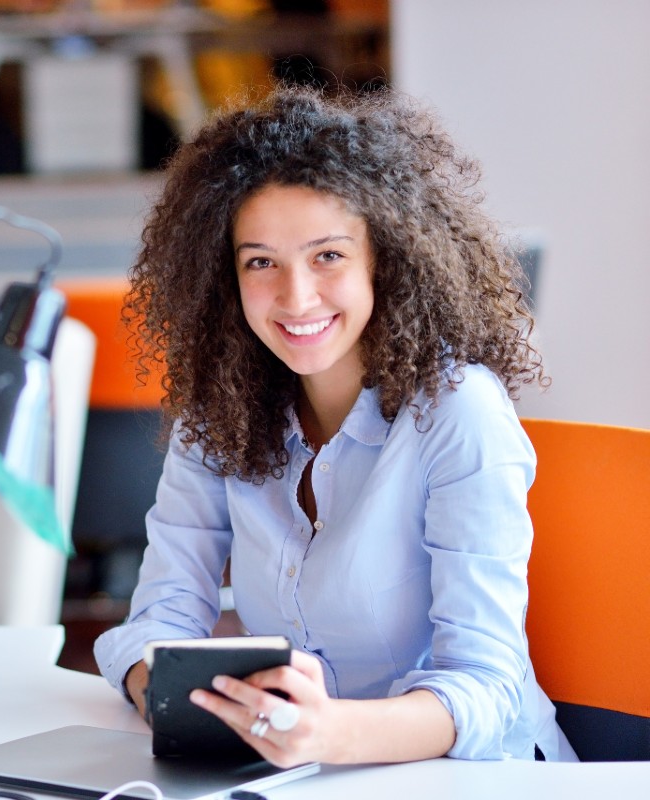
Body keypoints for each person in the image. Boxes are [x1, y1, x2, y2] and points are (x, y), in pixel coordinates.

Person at [94, 84, 578, 766]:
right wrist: (179, 703)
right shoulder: (218, 413)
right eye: (261, 262)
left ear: (386, 256)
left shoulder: (458, 412)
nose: (296, 297)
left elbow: (487, 685)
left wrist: (326, 734)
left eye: (328, 256)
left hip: (468, 776)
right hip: (303, 774)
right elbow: (158, 621)